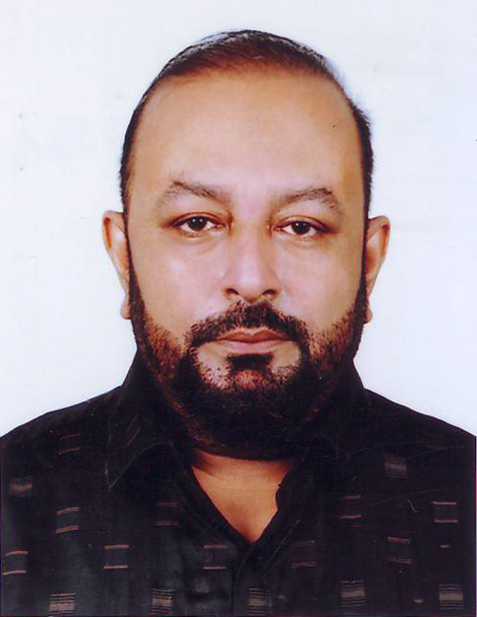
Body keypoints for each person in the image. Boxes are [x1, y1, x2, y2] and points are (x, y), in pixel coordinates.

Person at [1, 29, 475, 617]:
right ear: (124, 257)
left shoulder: (466, 494)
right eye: (197, 223)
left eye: (302, 226)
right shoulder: (12, 503)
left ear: (368, 262)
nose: (251, 279)